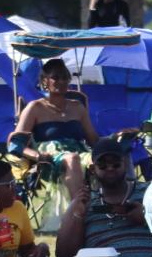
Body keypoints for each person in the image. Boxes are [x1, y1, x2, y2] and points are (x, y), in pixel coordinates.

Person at [13, 58, 100, 208]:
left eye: (65, 77)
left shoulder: (77, 107)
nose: (61, 81)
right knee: (72, 159)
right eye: (56, 77)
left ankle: (117, 207)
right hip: (49, 159)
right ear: (44, 81)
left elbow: (94, 140)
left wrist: (115, 141)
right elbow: (15, 144)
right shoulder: (35, 108)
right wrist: (37, 156)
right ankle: (79, 210)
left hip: (81, 153)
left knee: (107, 159)